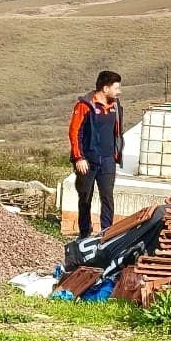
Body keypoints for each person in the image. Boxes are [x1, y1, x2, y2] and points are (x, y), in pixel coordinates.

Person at [68, 69, 125, 239]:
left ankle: (106, 233)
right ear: (105, 88)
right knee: (85, 197)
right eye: (116, 88)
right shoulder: (84, 106)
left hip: (108, 159)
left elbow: (117, 131)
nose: (119, 92)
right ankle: (85, 233)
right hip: (87, 160)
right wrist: (78, 158)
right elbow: (74, 132)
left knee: (107, 196)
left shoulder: (116, 106)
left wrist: (116, 153)